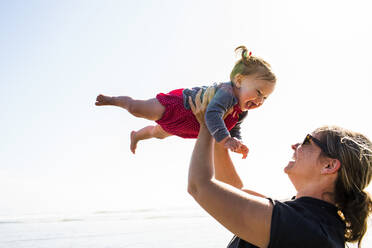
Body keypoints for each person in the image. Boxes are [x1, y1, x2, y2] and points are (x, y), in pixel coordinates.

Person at [187, 91, 372, 248]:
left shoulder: (303, 226)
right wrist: (221, 133)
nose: (295, 145)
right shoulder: (314, 220)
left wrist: (206, 122)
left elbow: (200, 187)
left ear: (329, 165)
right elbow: (234, 192)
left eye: (307, 140)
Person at [95, 46, 276, 158]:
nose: (260, 100)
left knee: (157, 133)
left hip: (188, 125)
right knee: (137, 109)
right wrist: (226, 140)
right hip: (180, 107)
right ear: (238, 81)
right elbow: (212, 114)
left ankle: (136, 136)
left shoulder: (241, 111)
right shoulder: (227, 93)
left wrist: (237, 139)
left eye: (265, 98)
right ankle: (114, 100)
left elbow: (234, 127)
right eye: (259, 92)